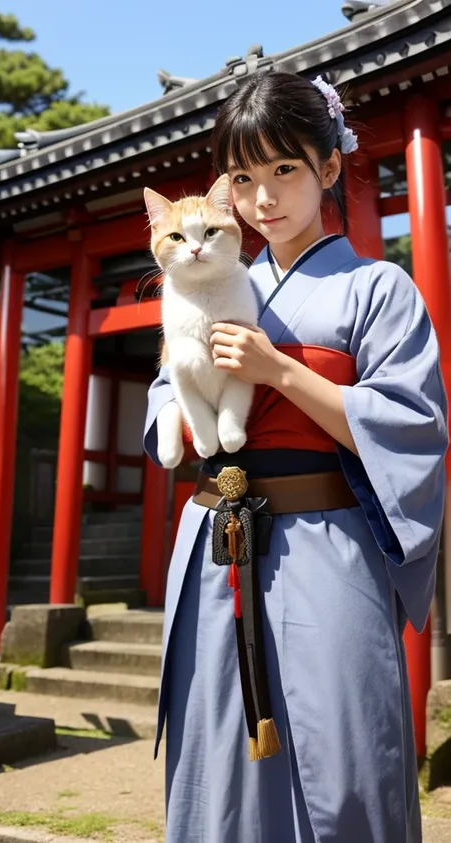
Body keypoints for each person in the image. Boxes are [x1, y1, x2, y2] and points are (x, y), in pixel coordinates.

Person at [143, 70, 448, 843]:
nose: (263, 198)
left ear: (330, 166)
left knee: (345, 758)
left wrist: (279, 370)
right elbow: (162, 396)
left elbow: (413, 426)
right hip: (216, 549)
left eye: (285, 169)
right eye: (243, 177)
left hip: (326, 547)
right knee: (216, 762)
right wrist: (178, 395)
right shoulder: (212, 276)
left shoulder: (378, 288)